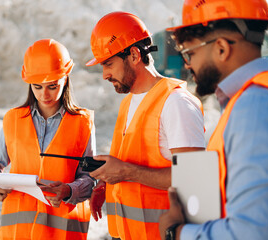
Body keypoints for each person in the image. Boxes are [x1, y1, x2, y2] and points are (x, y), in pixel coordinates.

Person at [159, 0, 268, 239]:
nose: (188, 64)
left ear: (222, 48)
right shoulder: (256, 99)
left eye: (190, 53)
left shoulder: (255, 106)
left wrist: (178, 231)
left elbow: (251, 233)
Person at [85, 11, 206, 240]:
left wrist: (125, 173)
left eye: (108, 64)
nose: (104, 75)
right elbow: (132, 166)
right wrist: (108, 183)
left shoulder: (176, 103)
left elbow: (195, 179)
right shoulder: (128, 103)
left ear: (133, 55)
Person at [0, 39, 95, 240]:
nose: (44, 94)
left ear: (65, 78)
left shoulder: (83, 122)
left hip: (63, 232)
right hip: (20, 233)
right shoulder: (13, 120)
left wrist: (69, 190)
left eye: (52, 86)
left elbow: (89, 178)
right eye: (37, 86)